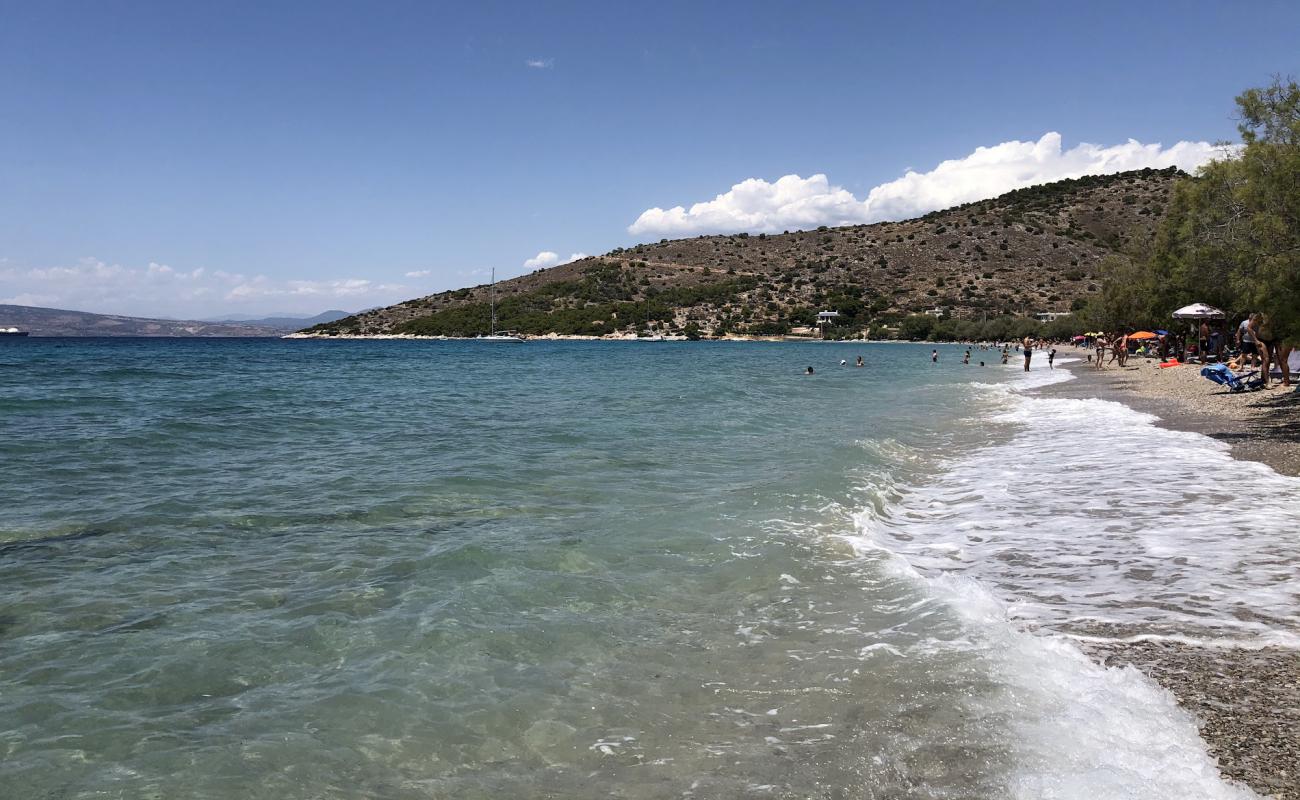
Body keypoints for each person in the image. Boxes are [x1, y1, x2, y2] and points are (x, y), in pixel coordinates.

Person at [1251, 313, 1279, 388]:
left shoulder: (1275, 315)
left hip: (1271, 339)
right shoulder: (1260, 315)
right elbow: (1249, 328)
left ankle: (1263, 380)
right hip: (1261, 340)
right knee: (1265, 360)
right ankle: (1267, 382)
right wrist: (1255, 340)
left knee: (1268, 361)